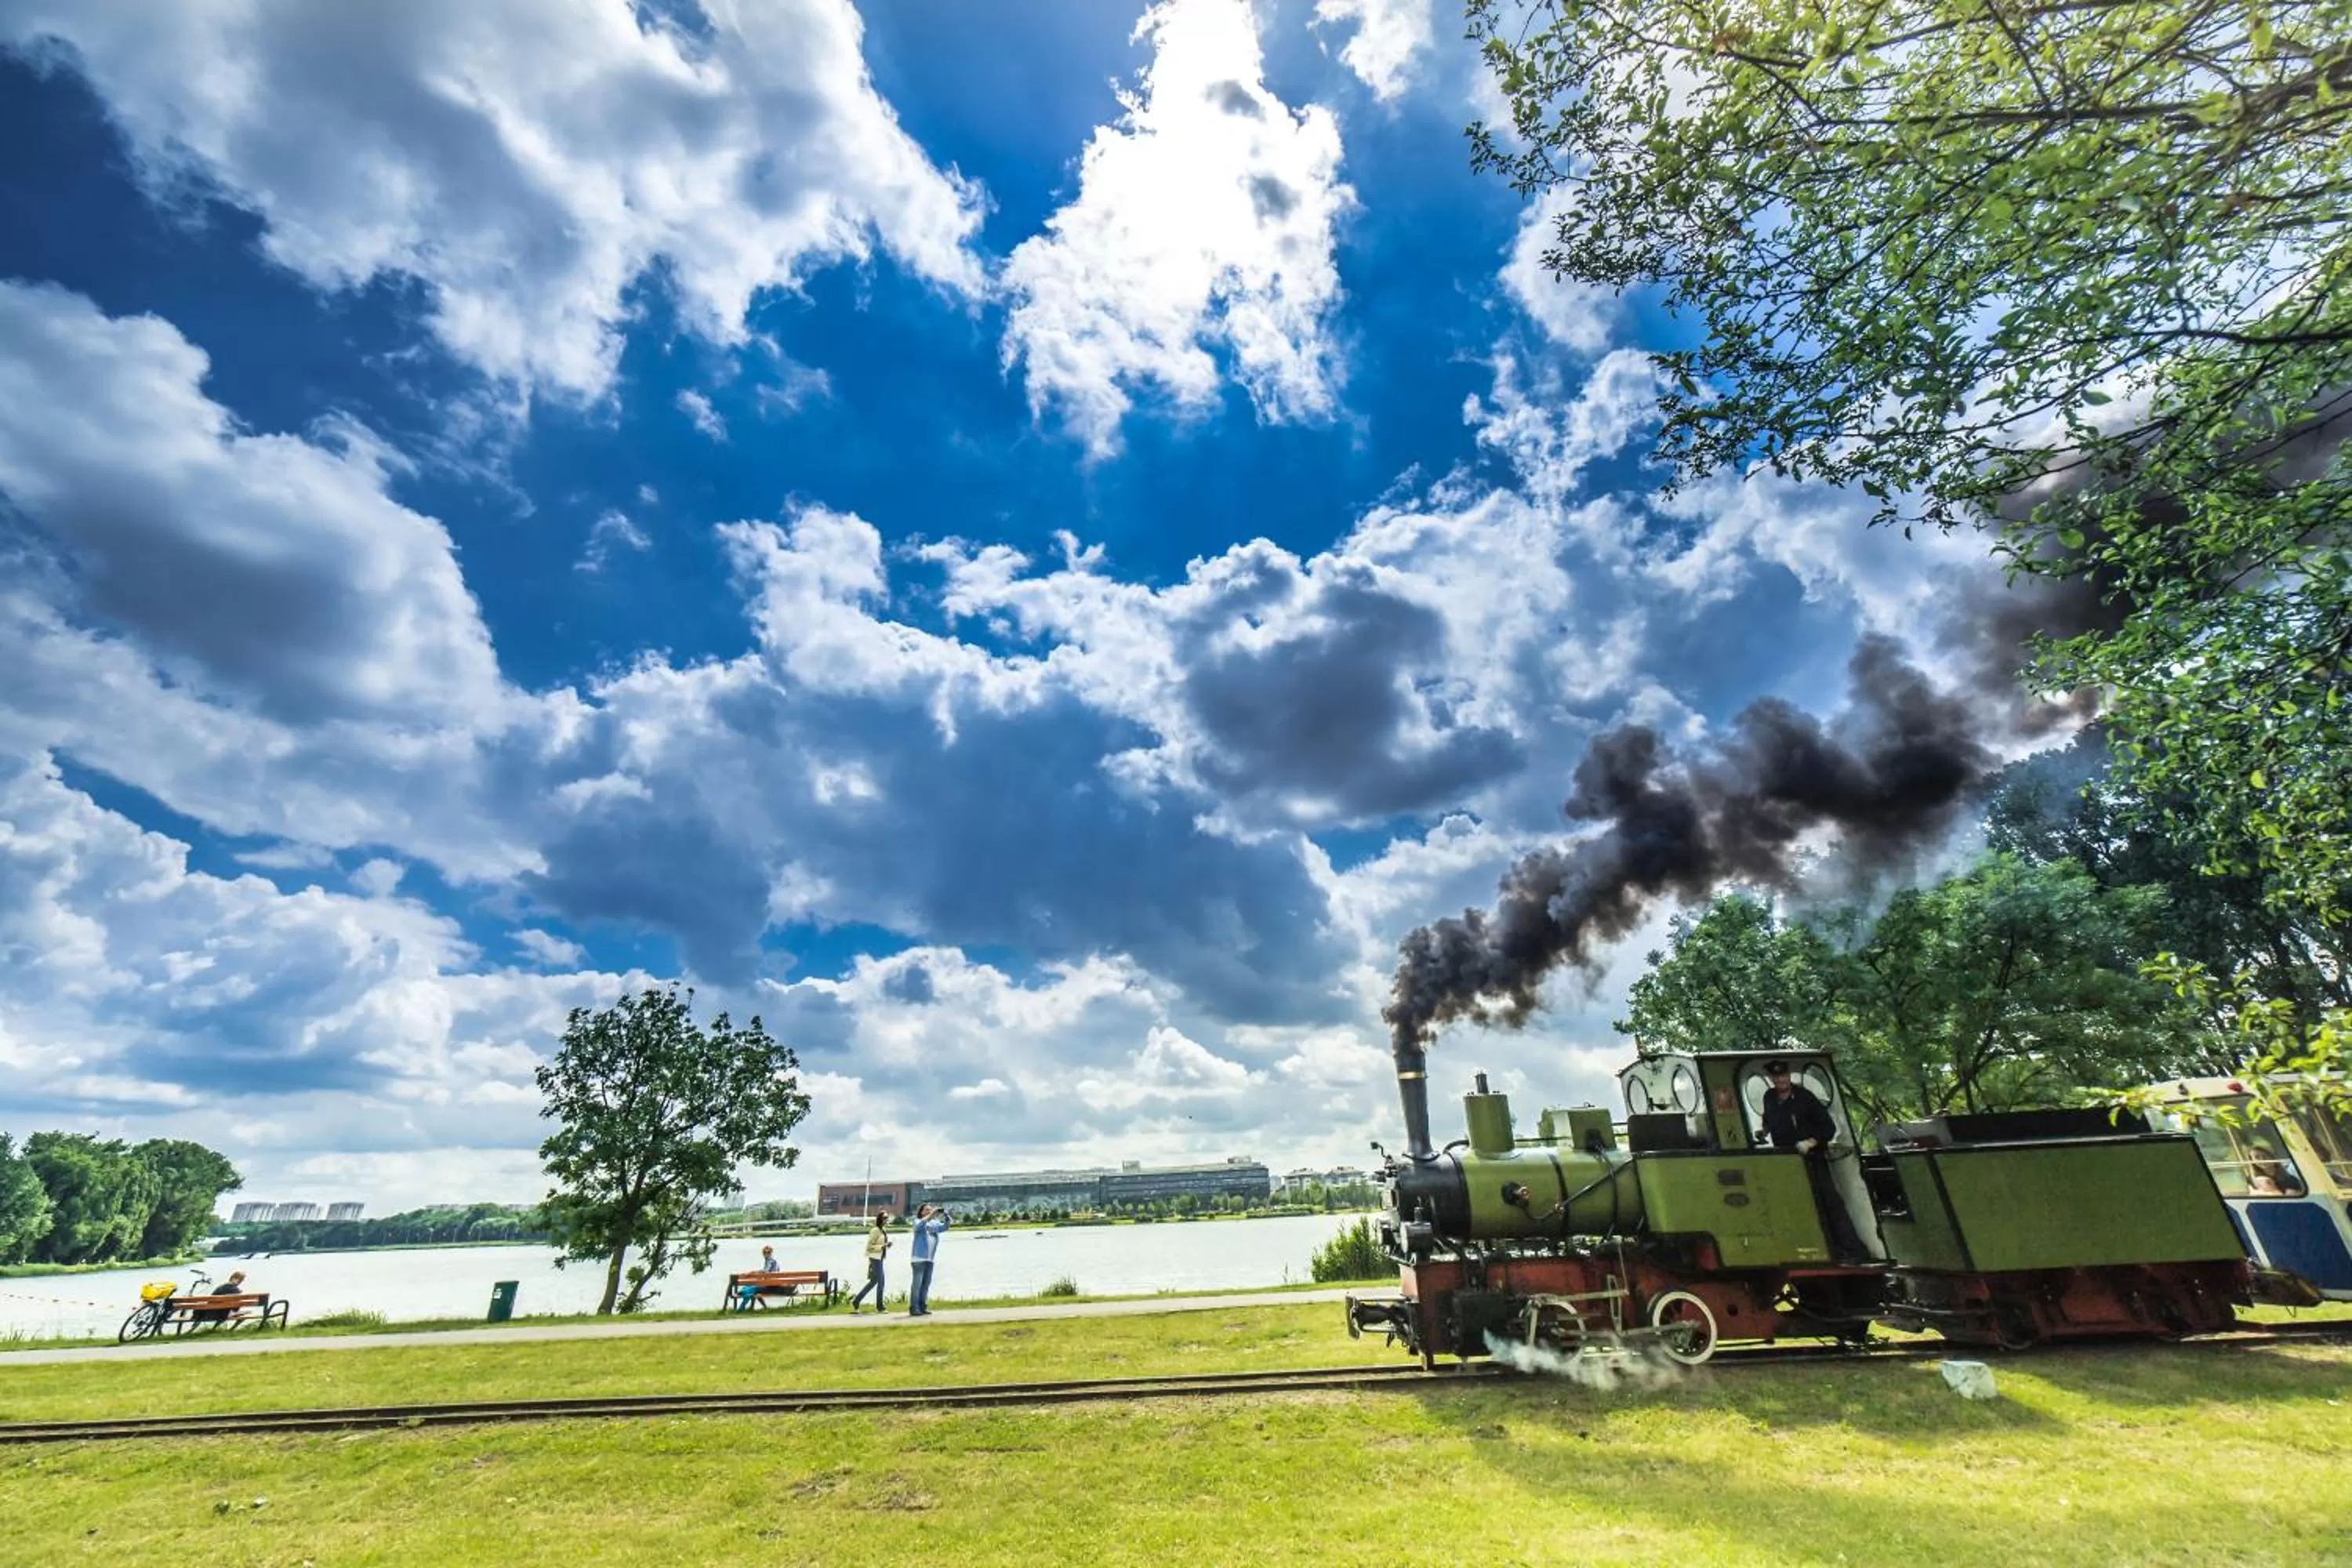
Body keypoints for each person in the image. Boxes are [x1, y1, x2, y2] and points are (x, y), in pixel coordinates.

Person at [1759, 1060, 1871, 1264]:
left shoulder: (1804, 1097)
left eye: (1783, 1076)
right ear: (1771, 1079)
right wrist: (1763, 1131)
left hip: (1812, 1159)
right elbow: (1768, 1120)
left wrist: (1810, 1142)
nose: (1780, 1080)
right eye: (1776, 1077)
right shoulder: (1769, 1097)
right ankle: (1817, 1250)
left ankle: (1853, 1250)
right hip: (1786, 1162)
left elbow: (1828, 1127)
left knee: (1828, 1202)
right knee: (1800, 1206)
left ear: (1788, 1076)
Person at [908, 1204, 951, 1317]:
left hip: (930, 1259)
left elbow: (945, 1227)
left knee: (926, 1284)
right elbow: (918, 1226)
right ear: (921, 1212)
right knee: (917, 1285)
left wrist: (946, 1216)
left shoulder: (934, 1224)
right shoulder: (917, 1221)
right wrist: (932, 1214)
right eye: (927, 1210)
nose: (929, 1212)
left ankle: (923, 1306)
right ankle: (914, 1308)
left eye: (931, 1210)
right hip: (918, 1259)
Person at [851, 1211, 891, 1313]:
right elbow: (869, 1247)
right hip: (874, 1259)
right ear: (880, 1219)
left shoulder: (883, 1230)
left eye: (887, 1217)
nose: (887, 1219)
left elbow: (881, 1245)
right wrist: (882, 1246)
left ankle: (856, 1301)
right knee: (881, 1282)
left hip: (880, 1258)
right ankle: (880, 1307)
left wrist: (886, 1245)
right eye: (885, 1217)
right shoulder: (875, 1230)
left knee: (873, 1282)